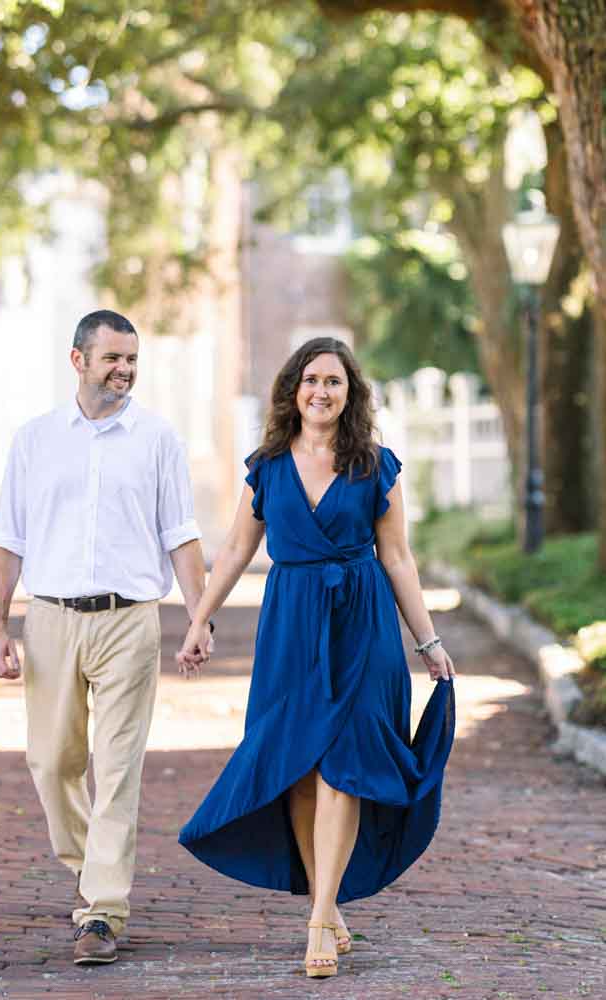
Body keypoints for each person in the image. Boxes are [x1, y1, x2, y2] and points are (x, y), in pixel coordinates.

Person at [175, 337, 456, 979]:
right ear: (292, 391)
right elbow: (236, 549)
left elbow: (398, 559)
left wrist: (428, 640)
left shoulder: (374, 464)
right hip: (292, 629)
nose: (321, 392)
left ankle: (318, 920)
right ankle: (328, 907)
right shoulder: (268, 466)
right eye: (310, 380)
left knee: (344, 770)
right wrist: (199, 619)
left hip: (363, 628)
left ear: (350, 392)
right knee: (299, 771)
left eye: (333, 381)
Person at [0, 309, 210, 965]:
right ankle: (94, 875)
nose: (125, 370)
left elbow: (182, 536)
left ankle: (102, 913)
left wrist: (199, 617)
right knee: (52, 763)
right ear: (78, 360)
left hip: (130, 619)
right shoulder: (34, 440)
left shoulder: (158, 440)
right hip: (51, 618)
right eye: (113, 358)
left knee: (116, 770)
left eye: (133, 359)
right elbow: (10, 539)